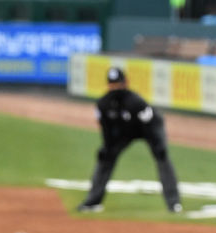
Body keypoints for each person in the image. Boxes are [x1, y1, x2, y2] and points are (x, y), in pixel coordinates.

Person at [76, 67, 182, 214]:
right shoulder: (103, 105)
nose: (115, 88)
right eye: (112, 84)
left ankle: (174, 203)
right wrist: (108, 148)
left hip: (148, 129)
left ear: (126, 83)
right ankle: (93, 201)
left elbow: (151, 127)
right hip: (124, 132)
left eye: (118, 84)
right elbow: (106, 132)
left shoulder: (137, 103)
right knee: (106, 156)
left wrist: (158, 147)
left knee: (162, 156)